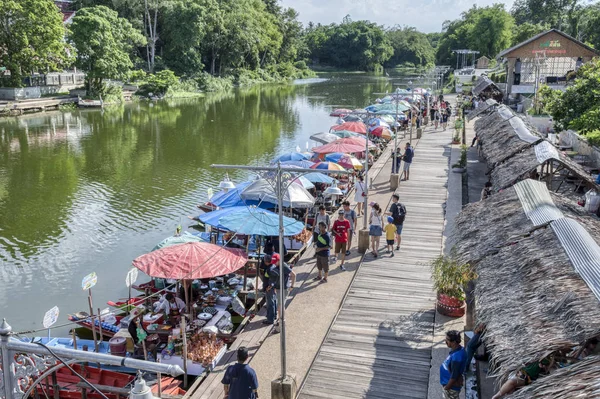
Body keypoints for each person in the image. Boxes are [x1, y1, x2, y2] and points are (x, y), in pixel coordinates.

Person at [266, 253, 295, 333]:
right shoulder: (277, 266)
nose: (274, 264)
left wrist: (292, 286)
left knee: (280, 307)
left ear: (279, 260)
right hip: (278, 288)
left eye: (275, 262)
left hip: (284, 289)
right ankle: (280, 320)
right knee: (280, 306)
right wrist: (273, 286)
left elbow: (293, 275)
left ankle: (281, 322)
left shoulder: (284, 266)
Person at [440, 330, 468, 399]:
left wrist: (446, 387)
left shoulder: (457, 358)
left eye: (447, 340)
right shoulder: (458, 349)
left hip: (451, 388)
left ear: (454, 342)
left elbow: (454, 376)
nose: (445, 341)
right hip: (449, 384)